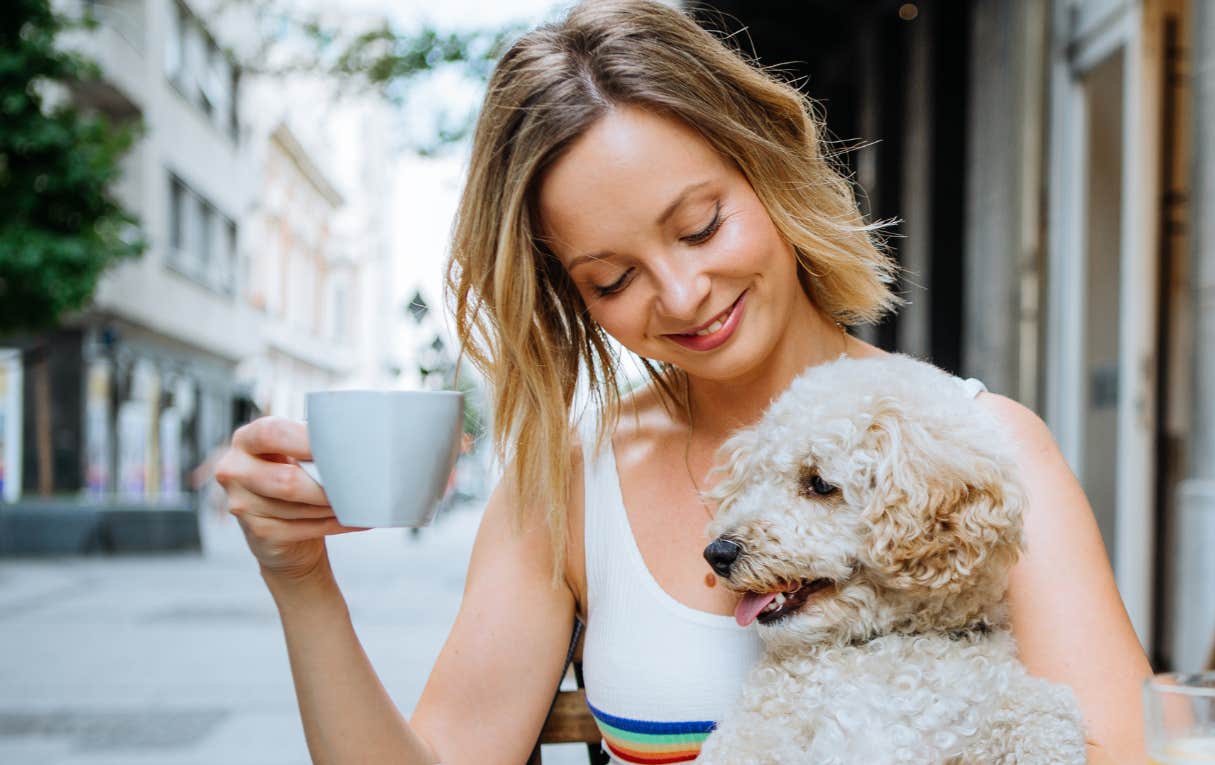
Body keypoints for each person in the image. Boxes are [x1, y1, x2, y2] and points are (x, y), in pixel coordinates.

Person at [213, 1, 1152, 763]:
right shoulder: (567, 479)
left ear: (770, 169)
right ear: (572, 301)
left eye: (700, 224)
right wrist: (302, 580)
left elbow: (1124, 754)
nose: (682, 292)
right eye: (611, 279)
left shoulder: (984, 443)